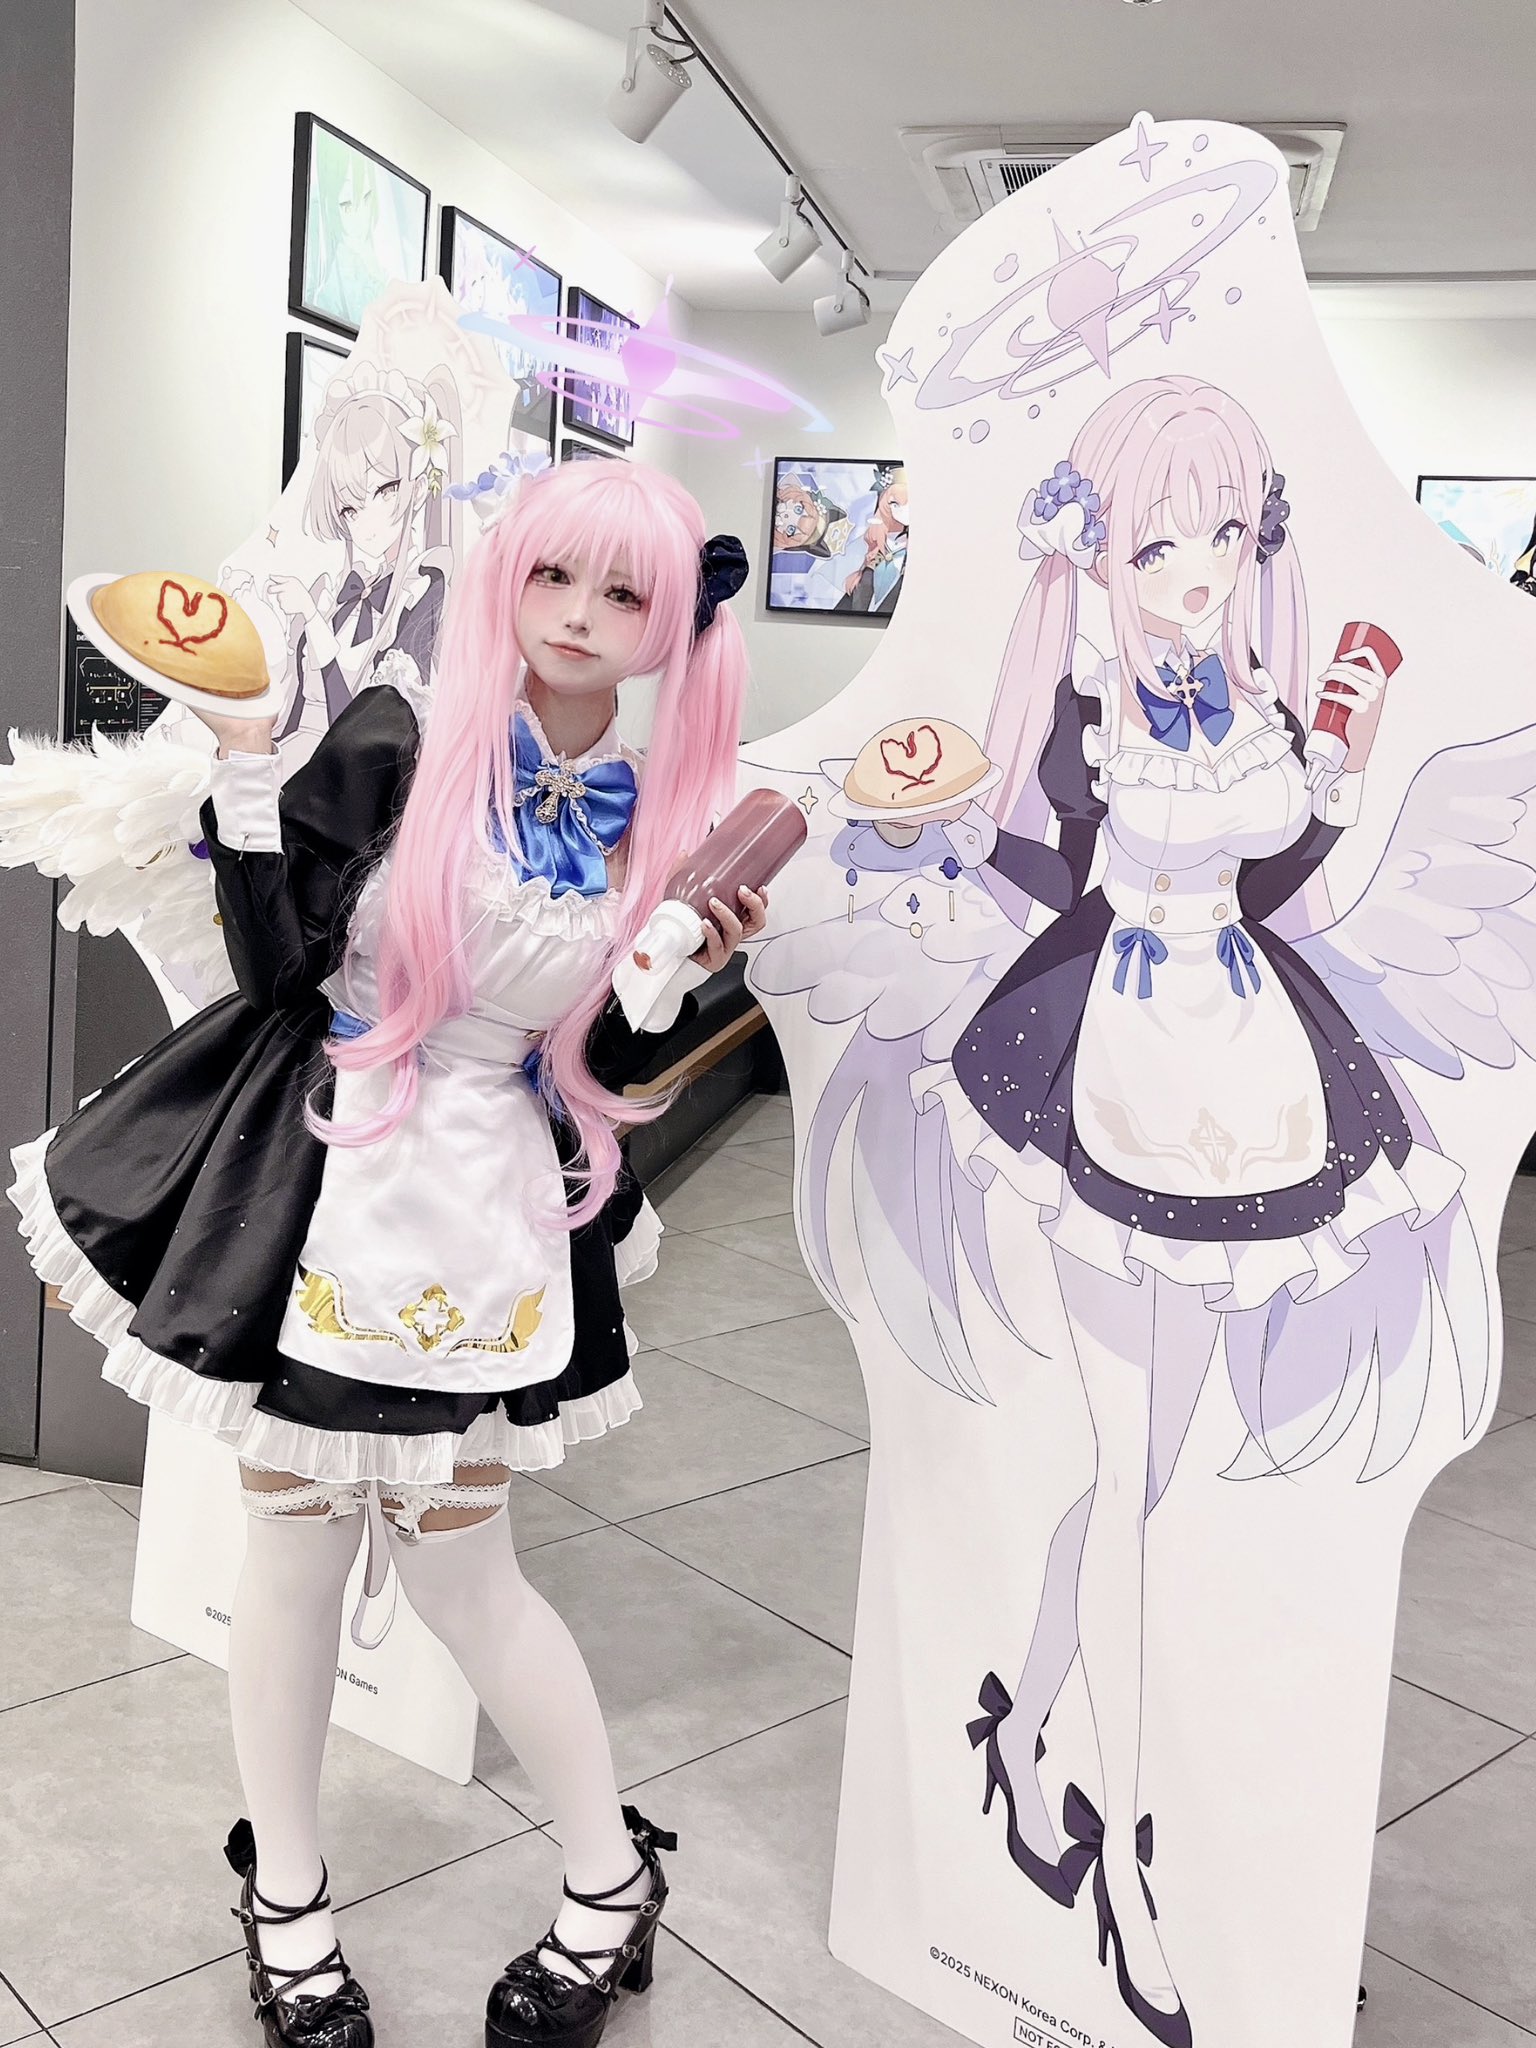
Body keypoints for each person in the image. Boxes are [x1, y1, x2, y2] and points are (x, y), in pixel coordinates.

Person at [9, 458, 763, 2048]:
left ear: (671, 628)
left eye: (623, 593)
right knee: (287, 1556)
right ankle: (286, 1902)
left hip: (491, 1195)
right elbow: (282, 975)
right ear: (509, 577)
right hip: (322, 1160)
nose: (579, 616)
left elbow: (608, 1070)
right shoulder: (396, 745)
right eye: (554, 575)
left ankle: (609, 1883)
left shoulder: (668, 824)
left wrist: (671, 984)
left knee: (465, 1570)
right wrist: (244, 764)